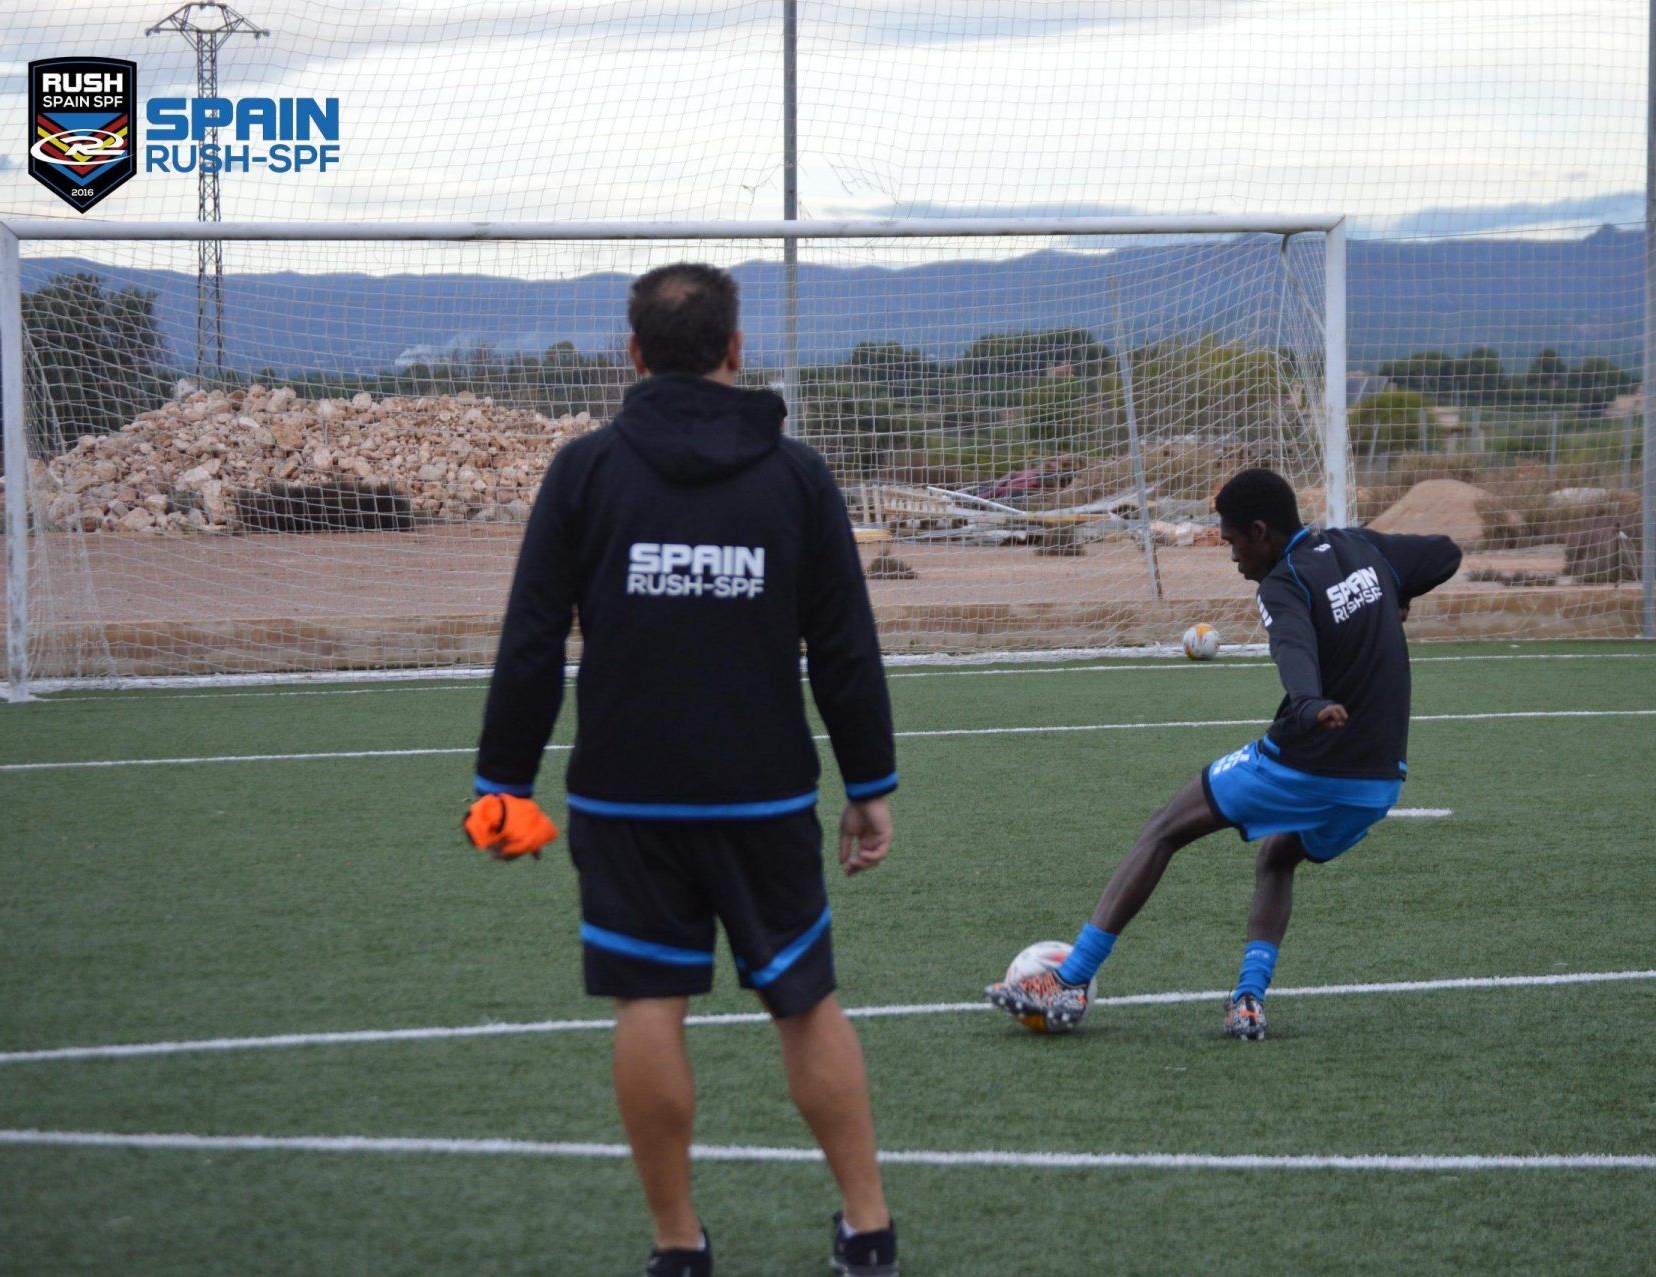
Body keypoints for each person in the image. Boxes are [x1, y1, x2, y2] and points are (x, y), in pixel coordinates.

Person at [464, 262, 901, 1277]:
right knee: (803, 998)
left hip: (626, 793)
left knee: (648, 1003)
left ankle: (677, 1244)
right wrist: (869, 784)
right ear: (735, 351)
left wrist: (503, 780)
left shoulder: (585, 471)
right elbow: (845, 645)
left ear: (633, 354)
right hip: (767, 791)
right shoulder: (796, 476)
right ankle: (869, 1228)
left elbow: (533, 636)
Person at [987, 467, 1460, 1040]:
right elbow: (1445, 554)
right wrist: (1398, 592)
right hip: (1378, 785)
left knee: (1164, 829)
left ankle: (1070, 981)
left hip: (1307, 761)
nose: (1232, 557)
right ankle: (1247, 1001)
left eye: (1232, 542)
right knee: (1278, 854)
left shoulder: (1282, 583)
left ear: (1260, 532)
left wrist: (1309, 704)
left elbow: (1293, 648)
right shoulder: (1361, 547)